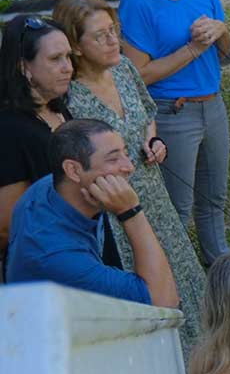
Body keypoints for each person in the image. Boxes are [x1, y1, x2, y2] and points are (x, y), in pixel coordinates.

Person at [54, 0, 205, 354]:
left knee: (180, 270)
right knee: (146, 284)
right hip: (114, 210)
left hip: (154, 194)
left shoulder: (123, 69)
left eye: (114, 31)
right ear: (76, 47)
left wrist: (153, 140)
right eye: (100, 35)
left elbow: (147, 113)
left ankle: (203, 357)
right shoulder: (67, 97)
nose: (113, 41)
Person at [115, 0, 230, 266]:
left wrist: (220, 29)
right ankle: (177, 280)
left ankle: (220, 268)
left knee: (214, 199)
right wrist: (193, 49)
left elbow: (224, 49)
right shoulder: (137, 1)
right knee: (177, 208)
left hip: (212, 104)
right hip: (171, 114)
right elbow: (138, 74)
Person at [5, 118, 176, 308]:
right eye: (113, 159)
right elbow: (163, 301)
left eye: (126, 153)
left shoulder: (50, 187)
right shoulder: (59, 257)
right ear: (73, 170)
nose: (129, 167)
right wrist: (131, 212)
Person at [0, 15, 75, 276]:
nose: (68, 68)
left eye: (68, 57)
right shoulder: (9, 128)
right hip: (51, 264)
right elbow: (8, 225)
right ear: (24, 67)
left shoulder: (57, 108)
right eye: (55, 59)